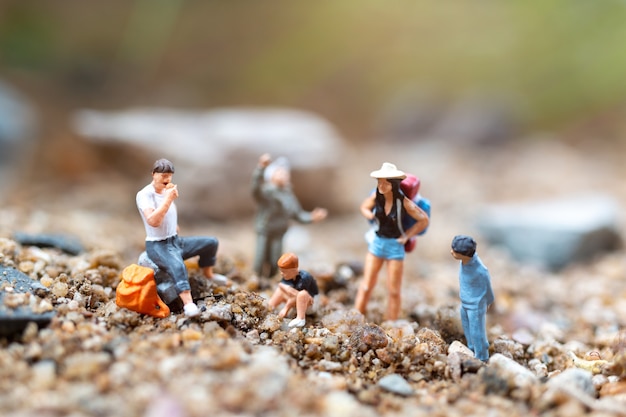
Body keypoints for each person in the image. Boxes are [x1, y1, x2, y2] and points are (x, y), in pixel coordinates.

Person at [136, 158, 226, 318]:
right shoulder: (145, 195)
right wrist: (169, 199)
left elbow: (169, 216)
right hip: (157, 244)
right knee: (178, 266)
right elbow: (153, 221)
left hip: (175, 240)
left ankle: (208, 274)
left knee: (211, 242)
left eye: (169, 175)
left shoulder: (166, 191)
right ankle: (188, 304)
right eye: (163, 175)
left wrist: (174, 226)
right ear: (153, 175)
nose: (167, 179)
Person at [354, 162, 429, 321]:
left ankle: (392, 322)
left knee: (393, 290)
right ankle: (356, 315)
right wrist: (369, 215)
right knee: (367, 285)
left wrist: (407, 235)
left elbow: (423, 220)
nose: (381, 185)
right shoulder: (376, 196)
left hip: (395, 246)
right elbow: (364, 207)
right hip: (377, 243)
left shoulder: (404, 202)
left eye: (385, 182)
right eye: (379, 181)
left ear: (393, 184)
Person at [251, 153, 327, 278]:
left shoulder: (289, 196)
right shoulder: (266, 192)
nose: (284, 175)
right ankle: (257, 276)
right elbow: (255, 190)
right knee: (261, 256)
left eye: (285, 173)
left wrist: (312, 217)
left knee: (276, 257)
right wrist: (260, 168)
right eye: (279, 172)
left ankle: (270, 278)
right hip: (264, 229)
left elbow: (298, 214)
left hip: (279, 231)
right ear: (271, 176)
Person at [450, 235, 495, 362]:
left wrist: (490, 300)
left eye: (455, 251)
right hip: (464, 302)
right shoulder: (463, 262)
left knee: (477, 331)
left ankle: (482, 355)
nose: (451, 252)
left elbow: (488, 286)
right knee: (467, 327)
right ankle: (471, 348)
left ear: (465, 254)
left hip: (476, 305)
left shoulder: (480, 270)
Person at [267, 252, 319, 328]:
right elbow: (281, 285)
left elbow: (297, 295)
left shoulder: (304, 277)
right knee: (280, 291)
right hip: (297, 302)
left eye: (284, 272)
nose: (281, 274)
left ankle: (300, 319)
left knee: (302, 294)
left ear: (294, 270)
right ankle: (269, 307)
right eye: (281, 271)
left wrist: (286, 308)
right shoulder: (288, 277)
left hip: (310, 305)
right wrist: (288, 289)